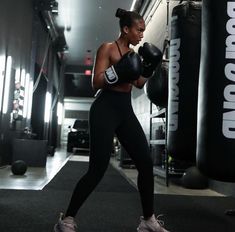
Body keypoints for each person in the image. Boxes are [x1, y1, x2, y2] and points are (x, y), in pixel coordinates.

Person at [54, 8, 169, 232]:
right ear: (126, 29)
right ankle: (67, 219)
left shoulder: (135, 56)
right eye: (139, 30)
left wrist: (149, 66)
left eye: (144, 31)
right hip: (104, 108)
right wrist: (118, 70)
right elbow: (96, 82)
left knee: (145, 163)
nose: (142, 35)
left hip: (125, 110)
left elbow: (138, 84)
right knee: (97, 169)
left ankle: (148, 220)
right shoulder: (107, 48)